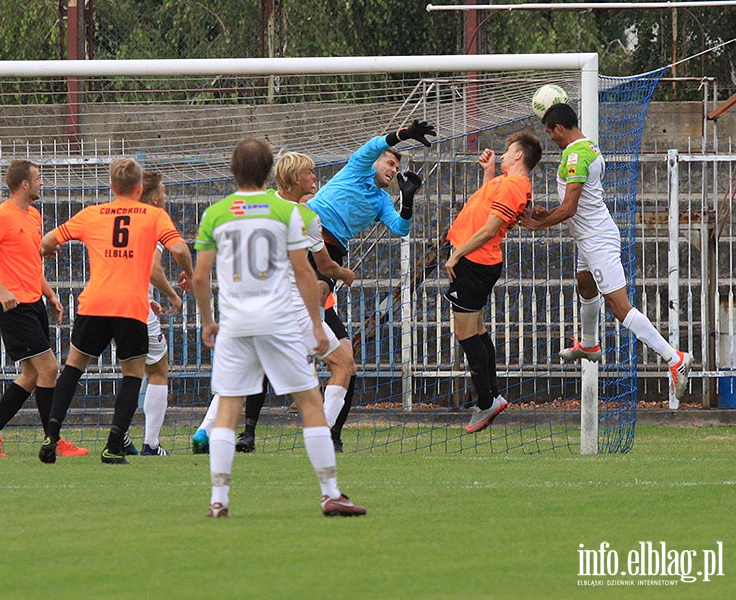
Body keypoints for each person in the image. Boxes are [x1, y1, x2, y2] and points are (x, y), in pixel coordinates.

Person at [192, 138, 365, 517]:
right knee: (310, 404)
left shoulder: (215, 213)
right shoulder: (294, 215)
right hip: (281, 321)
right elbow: (305, 271)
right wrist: (317, 325)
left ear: (233, 170)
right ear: (270, 169)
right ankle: (330, 493)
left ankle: (218, 500)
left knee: (228, 411)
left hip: (236, 324)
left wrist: (208, 320)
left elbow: (201, 276)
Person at [520, 103, 693, 400]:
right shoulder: (589, 148)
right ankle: (589, 344)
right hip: (588, 237)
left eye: (550, 132)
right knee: (585, 286)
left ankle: (674, 358)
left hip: (597, 239)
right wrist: (546, 213)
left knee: (619, 306)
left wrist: (539, 224)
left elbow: (571, 207)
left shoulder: (575, 155)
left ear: (560, 128)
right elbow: (579, 203)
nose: (550, 138)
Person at [37, 158, 194, 465]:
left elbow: (47, 240)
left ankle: (51, 435)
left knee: (73, 368)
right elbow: (178, 249)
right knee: (133, 374)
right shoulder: (152, 215)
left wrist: (48, 249)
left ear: (111, 187)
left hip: (94, 303)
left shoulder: (92, 214)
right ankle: (112, 446)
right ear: (139, 188)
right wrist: (187, 272)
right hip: (131, 306)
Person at [306, 119, 434, 450]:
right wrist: (404, 135)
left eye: (397, 166)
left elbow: (401, 228)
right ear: (376, 162)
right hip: (307, 241)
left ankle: (329, 434)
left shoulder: (380, 201)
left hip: (331, 258)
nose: (393, 169)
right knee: (303, 318)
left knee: (348, 365)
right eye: (390, 162)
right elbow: (377, 142)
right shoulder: (357, 169)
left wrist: (407, 200)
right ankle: (250, 427)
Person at [0, 159, 88, 459]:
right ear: (24, 184)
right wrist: (1, 289)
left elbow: (31, 262)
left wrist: (50, 294)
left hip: (34, 302)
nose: (42, 183)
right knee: (49, 368)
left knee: (32, 375)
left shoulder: (33, 215)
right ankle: (54, 440)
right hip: (13, 306)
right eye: (38, 178)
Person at [444, 133, 543, 433]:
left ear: (518, 157)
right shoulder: (508, 182)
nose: (502, 154)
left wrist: (456, 255)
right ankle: (493, 394)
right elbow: (486, 204)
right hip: (480, 261)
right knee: (477, 329)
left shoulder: (514, 185)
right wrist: (488, 173)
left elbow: (489, 229)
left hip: (474, 261)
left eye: (508, 151)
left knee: (465, 333)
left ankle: (486, 400)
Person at [119, 171, 189, 456]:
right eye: (164, 192)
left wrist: (149, 298)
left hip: (113, 304)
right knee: (158, 370)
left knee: (130, 372)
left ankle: (121, 435)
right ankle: (151, 443)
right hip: (135, 308)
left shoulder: (123, 219)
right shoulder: (153, 222)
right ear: (155, 197)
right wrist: (171, 294)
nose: (167, 198)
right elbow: (152, 268)